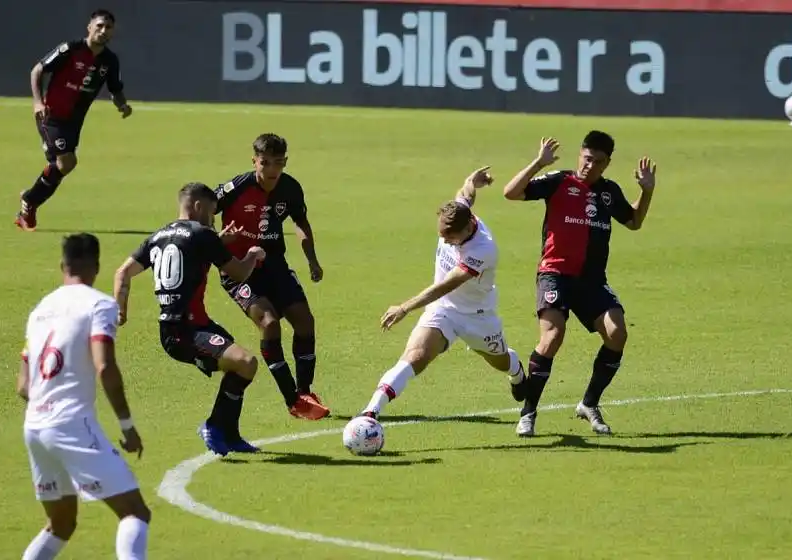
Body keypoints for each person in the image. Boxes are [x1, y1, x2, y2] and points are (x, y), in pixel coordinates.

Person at [113, 182, 321, 457]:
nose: (213, 220)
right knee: (245, 363)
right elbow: (238, 274)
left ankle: (231, 435)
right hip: (186, 331)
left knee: (241, 366)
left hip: (180, 326)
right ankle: (214, 426)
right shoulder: (202, 234)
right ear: (198, 207)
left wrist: (120, 311)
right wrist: (252, 254)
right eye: (212, 213)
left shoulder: (159, 235)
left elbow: (122, 274)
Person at [502, 132, 657, 437]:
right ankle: (528, 412)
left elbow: (634, 221)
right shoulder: (559, 181)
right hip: (555, 274)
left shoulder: (609, 191)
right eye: (587, 158)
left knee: (617, 333)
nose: (590, 166)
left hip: (592, 281)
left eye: (598, 162)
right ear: (580, 156)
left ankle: (589, 404)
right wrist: (538, 163)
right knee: (552, 337)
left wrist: (647, 191)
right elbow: (511, 192)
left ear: (607, 163)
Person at [19, 233, 150, 560]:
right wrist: (127, 426)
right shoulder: (99, 304)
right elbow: (104, 367)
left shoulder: (39, 311)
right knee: (134, 512)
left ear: (63, 265)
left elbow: (23, 386)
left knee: (60, 524)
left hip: (35, 427)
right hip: (71, 424)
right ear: (96, 266)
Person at [358, 166, 527, 420]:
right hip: (443, 310)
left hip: (477, 316)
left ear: (468, 228)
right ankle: (370, 412)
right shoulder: (460, 212)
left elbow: (445, 286)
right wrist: (472, 180)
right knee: (416, 356)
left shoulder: (483, 249)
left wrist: (404, 307)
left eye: (450, 239)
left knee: (500, 361)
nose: (446, 242)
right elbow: (465, 193)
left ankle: (517, 372)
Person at [213, 133, 330, 420]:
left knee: (305, 321)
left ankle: (305, 392)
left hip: (275, 265)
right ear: (254, 160)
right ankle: (292, 399)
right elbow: (202, 211)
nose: (271, 170)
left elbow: (300, 223)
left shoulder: (290, 188)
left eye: (277, 163)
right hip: (239, 269)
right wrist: (216, 240)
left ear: (285, 162)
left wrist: (312, 260)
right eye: (264, 163)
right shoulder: (236, 187)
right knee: (269, 323)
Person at [16, 9, 133, 232]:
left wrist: (122, 105)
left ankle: (29, 200)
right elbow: (38, 70)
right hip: (50, 116)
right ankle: (30, 202)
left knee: (61, 165)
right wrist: (38, 102)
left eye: (108, 28)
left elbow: (115, 88)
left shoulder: (110, 61)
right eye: (99, 26)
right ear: (89, 27)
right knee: (66, 162)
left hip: (73, 122)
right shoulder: (70, 49)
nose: (103, 31)